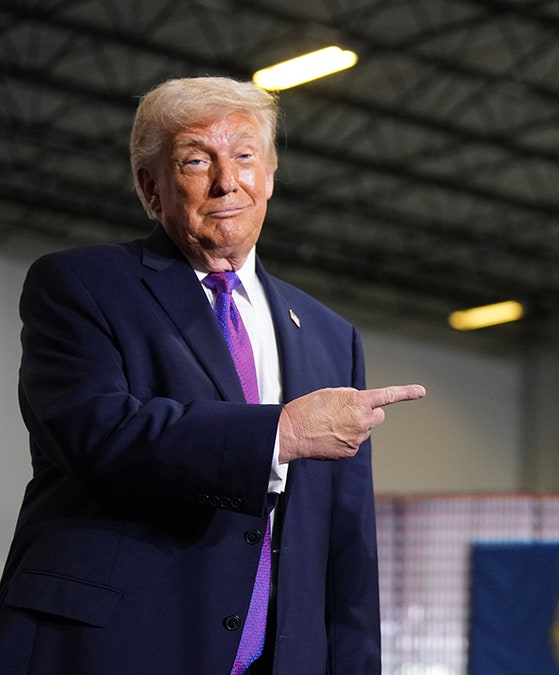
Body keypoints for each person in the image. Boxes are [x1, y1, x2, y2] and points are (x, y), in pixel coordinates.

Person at [0, 77, 426, 674]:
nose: (228, 180)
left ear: (270, 176)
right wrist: (277, 436)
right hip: (111, 648)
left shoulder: (331, 335)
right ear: (152, 188)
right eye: (196, 160)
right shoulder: (80, 286)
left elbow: (345, 539)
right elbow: (95, 434)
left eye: (246, 156)